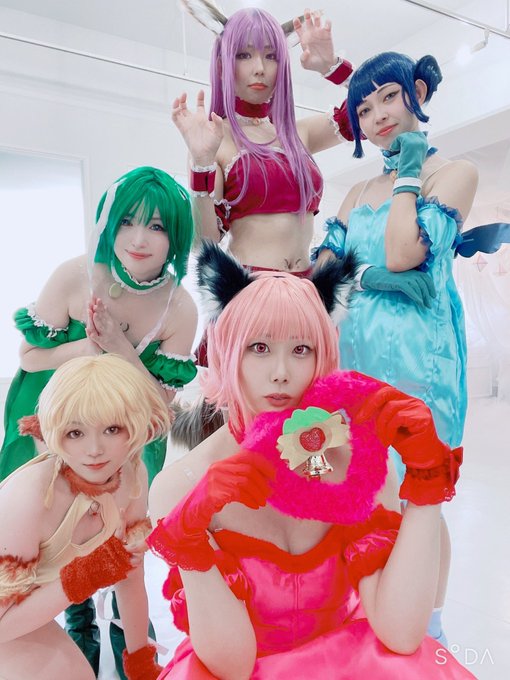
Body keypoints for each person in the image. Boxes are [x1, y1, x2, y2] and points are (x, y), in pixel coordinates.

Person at [147, 242, 473, 679]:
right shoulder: (179, 487)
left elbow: (401, 634)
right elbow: (233, 667)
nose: (281, 372)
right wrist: (190, 544)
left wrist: (426, 481)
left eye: (301, 349)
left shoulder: (357, 465)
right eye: (259, 347)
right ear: (227, 351)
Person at [0, 165, 198, 676]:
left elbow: (160, 406)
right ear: (108, 221)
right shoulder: (76, 275)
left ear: (175, 237)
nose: (138, 238)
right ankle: (77, 615)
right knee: (48, 521)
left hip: (133, 421)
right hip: (56, 409)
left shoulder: (179, 308)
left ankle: (130, 632)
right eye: (127, 221)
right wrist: (87, 349)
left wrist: (117, 348)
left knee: (119, 520)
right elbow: (29, 357)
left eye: (157, 226)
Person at [314, 51, 479, 645]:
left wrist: (408, 173)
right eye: (363, 108)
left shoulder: (453, 172)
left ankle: (429, 625)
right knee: (365, 489)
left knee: (420, 500)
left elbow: (407, 254)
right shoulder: (355, 190)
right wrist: (367, 276)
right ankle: (376, 607)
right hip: (356, 358)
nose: (378, 115)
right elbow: (324, 275)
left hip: (421, 360)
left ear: (417, 94)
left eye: (388, 96)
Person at [0, 353, 171, 680]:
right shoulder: (29, 498)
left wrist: (139, 658)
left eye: (112, 429)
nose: (94, 450)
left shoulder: (132, 475)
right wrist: (82, 578)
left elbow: (130, 576)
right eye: (75, 433)